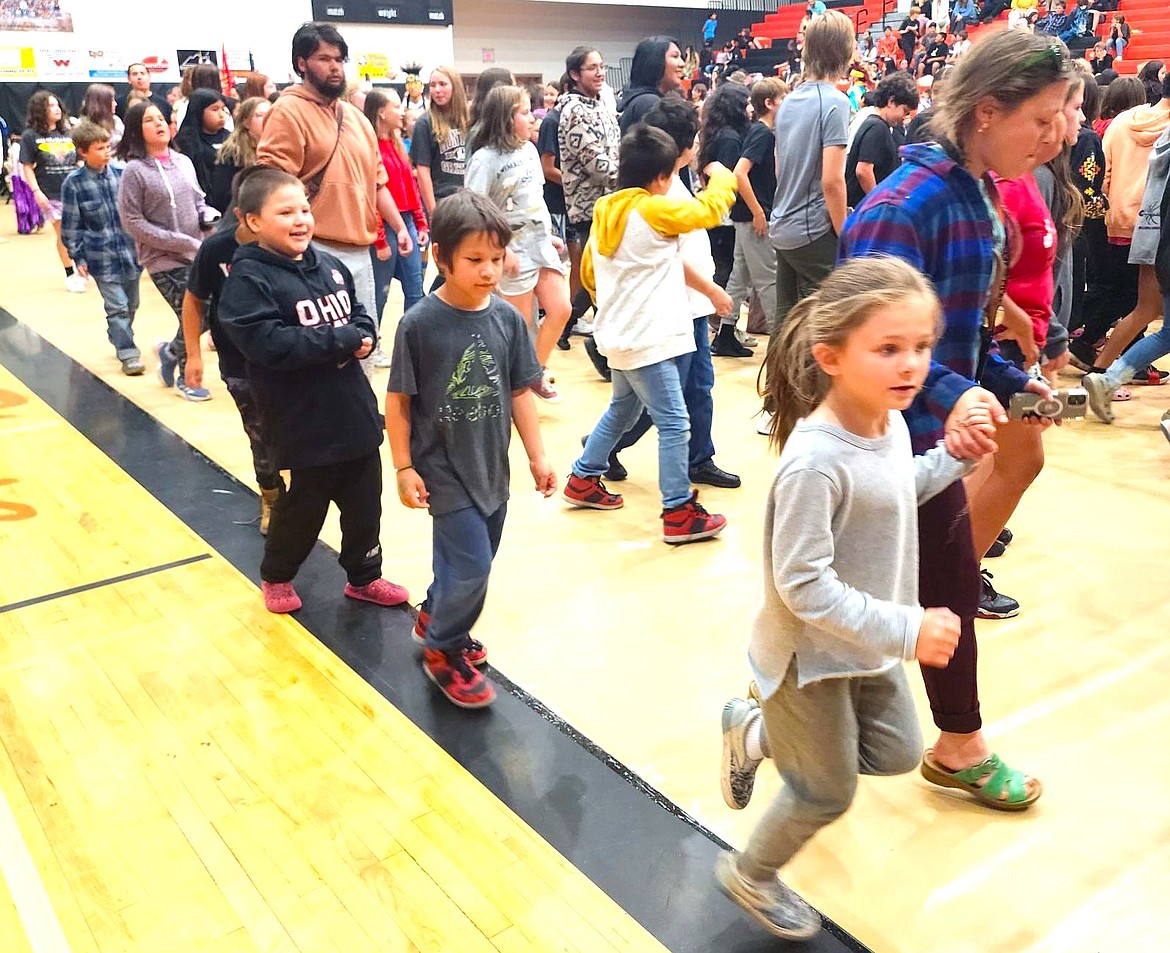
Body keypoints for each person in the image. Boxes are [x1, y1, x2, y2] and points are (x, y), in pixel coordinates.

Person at [715, 257, 981, 942]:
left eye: (921, 347)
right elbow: (803, 585)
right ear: (831, 357)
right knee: (826, 790)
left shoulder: (885, 423)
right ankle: (752, 873)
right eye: (889, 348)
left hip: (864, 644)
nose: (912, 365)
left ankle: (757, 734)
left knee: (894, 752)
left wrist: (951, 456)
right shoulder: (814, 462)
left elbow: (894, 492)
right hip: (809, 658)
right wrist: (907, 626)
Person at [838, 28, 1067, 808]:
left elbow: (961, 340)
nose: (1059, 134)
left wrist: (1009, 382)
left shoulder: (981, 195)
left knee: (913, 595)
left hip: (930, 438)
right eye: (1041, 117)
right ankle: (959, 743)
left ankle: (787, 714)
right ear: (985, 112)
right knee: (934, 590)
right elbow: (854, 336)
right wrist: (953, 394)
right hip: (880, 443)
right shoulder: (904, 208)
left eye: (1063, 114)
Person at [386, 190, 554, 709]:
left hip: (490, 469)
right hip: (442, 470)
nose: (488, 271)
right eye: (475, 260)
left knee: (468, 563)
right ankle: (444, 650)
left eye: (496, 259)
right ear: (441, 258)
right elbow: (398, 403)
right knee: (474, 568)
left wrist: (537, 455)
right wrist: (404, 467)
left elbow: (521, 391)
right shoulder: (420, 323)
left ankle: (436, 614)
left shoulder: (506, 320)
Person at [218, 166, 409, 615]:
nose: (301, 219)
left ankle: (364, 576)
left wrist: (363, 333)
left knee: (365, 505)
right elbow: (267, 344)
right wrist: (342, 340)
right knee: (303, 508)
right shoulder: (249, 280)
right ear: (252, 221)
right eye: (286, 212)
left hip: (354, 413)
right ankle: (277, 574)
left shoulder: (331, 266)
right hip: (302, 423)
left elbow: (362, 315)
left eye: (304, 208)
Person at [562, 124, 736, 543]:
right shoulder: (653, 209)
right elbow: (707, 212)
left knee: (622, 410)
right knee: (675, 423)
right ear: (661, 178)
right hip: (648, 339)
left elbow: (588, 273)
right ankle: (678, 512)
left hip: (619, 333)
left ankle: (583, 478)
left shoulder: (605, 208)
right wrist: (724, 176)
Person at [257, 20, 412, 378]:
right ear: (301, 63)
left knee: (364, 347)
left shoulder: (356, 118)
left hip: (362, 250)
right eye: (324, 59)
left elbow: (377, 181)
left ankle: (361, 416)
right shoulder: (288, 110)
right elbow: (272, 184)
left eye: (339, 59)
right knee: (327, 355)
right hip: (315, 251)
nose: (334, 67)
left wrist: (398, 226)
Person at [606, 94, 742, 490]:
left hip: (692, 309)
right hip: (675, 310)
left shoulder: (671, 185)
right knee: (661, 403)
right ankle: (605, 447)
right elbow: (674, 256)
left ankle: (699, 456)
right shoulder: (659, 199)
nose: (699, 145)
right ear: (682, 148)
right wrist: (714, 290)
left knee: (698, 387)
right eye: (694, 140)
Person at [181, 166, 283, 533]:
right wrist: (193, 353)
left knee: (292, 433)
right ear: (244, 214)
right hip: (240, 364)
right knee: (260, 434)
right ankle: (271, 495)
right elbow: (193, 301)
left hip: (289, 361)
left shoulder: (292, 248)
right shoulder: (217, 249)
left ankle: (297, 491)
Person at [464, 85, 571, 401]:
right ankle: (509, 390)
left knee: (561, 308)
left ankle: (533, 372)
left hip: (538, 241)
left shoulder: (528, 150)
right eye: (525, 113)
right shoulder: (485, 159)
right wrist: (499, 249)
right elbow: (475, 208)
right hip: (510, 247)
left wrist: (548, 234)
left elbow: (533, 198)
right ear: (505, 118)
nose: (532, 119)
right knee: (519, 326)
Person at [767, 10, 853, 376]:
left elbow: (778, 167)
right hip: (813, 229)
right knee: (833, 317)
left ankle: (776, 403)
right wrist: (845, 230)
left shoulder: (788, 102)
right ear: (845, 51)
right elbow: (832, 181)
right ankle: (813, 402)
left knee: (786, 319)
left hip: (782, 224)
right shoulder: (834, 102)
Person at [116, 101, 214, 401]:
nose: (159, 124)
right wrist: (179, 241)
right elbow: (132, 221)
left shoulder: (183, 161)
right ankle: (187, 377)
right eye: (149, 120)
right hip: (162, 260)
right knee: (196, 314)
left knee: (209, 313)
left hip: (196, 252)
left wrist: (208, 217)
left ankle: (170, 351)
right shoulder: (134, 171)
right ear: (136, 129)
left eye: (161, 118)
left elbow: (198, 200)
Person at [1082, 120, 1170, 420]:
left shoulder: (1128, 124)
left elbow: (1103, 172)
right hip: (1156, 234)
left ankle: (1103, 374)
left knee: (1145, 312)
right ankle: (1104, 376)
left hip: (1140, 226)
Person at [59, 120, 143, 375]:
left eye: (108, 146)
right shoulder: (73, 184)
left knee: (131, 304)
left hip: (131, 253)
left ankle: (117, 333)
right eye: (99, 148)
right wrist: (78, 257)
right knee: (116, 305)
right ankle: (128, 353)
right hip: (101, 257)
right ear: (83, 152)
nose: (106, 152)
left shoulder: (122, 174)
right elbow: (71, 225)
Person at [558, 47, 620, 375]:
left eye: (601, 67)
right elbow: (596, 162)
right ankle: (602, 346)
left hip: (609, 204)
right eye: (591, 68)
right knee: (599, 282)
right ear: (574, 75)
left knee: (597, 281)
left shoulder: (600, 106)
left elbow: (616, 148)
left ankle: (579, 332)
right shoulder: (573, 111)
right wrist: (629, 177)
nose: (599, 73)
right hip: (589, 209)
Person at [363, 88, 427, 366]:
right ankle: (372, 344)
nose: (401, 112)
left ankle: (415, 344)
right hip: (385, 227)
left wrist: (420, 220)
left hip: (407, 223)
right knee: (380, 292)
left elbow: (410, 186)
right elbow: (372, 193)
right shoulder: (370, 147)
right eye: (395, 106)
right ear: (380, 112)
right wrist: (378, 238)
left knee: (415, 288)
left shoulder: (398, 144)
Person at [724, 78, 787, 344]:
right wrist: (759, 212)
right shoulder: (761, 133)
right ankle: (780, 342)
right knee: (768, 280)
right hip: (753, 218)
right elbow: (740, 173)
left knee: (741, 277)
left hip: (746, 217)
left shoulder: (760, 131)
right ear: (770, 103)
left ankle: (726, 332)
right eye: (783, 98)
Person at [20, 90, 83, 292]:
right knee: (64, 232)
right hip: (51, 192)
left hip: (75, 190)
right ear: (40, 110)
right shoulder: (31, 136)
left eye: (57, 105)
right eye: (50, 106)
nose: (56, 109)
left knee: (82, 231)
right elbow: (27, 165)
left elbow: (79, 158)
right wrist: (36, 192)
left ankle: (82, 265)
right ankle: (70, 273)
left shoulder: (68, 132)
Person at [845, 72, 919, 208]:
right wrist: (878, 203)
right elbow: (863, 170)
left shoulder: (875, 123)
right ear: (891, 102)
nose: (905, 117)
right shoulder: (877, 128)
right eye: (905, 111)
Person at [411, 65, 469, 222]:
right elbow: (422, 171)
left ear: (455, 87)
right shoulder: (424, 123)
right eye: (433, 85)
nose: (437, 90)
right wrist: (432, 212)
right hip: (442, 201)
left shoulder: (469, 119)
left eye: (442, 84)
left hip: (469, 201)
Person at [208, 96, 271, 214]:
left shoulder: (276, 147)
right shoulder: (233, 152)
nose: (267, 119)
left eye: (270, 114)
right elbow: (221, 196)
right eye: (260, 115)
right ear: (246, 122)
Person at [617, 36, 685, 133]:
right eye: (675, 56)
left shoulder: (643, 100)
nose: (682, 63)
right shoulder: (649, 103)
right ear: (656, 62)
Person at [173, 88, 228, 201]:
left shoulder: (230, 137)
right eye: (214, 109)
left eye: (223, 109)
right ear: (199, 111)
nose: (222, 114)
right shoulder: (186, 141)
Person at [79, 84, 123, 155]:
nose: (115, 104)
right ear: (101, 103)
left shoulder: (116, 121)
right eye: (112, 100)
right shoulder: (82, 126)